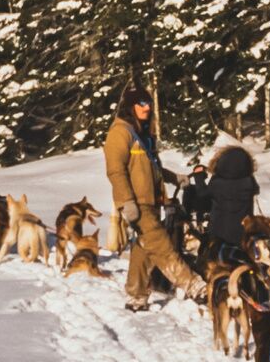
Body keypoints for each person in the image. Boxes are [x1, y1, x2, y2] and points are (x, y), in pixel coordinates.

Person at [102, 86, 190, 309]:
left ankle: (137, 295)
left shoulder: (142, 133)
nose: (147, 107)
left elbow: (153, 167)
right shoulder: (119, 132)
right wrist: (126, 201)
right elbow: (115, 170)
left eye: (149, 103)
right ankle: (193, 284)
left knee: (144, 248)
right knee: (161, 244)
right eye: (141, 104)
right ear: (130, 106)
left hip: (151, 200)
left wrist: (173, 177)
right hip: (135, 202)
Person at [199, 122, 260, 266]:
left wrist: (198, 178)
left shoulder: (216, 184)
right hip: (243, 239)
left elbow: (202, 197)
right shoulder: (249, 183)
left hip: (218, 239)